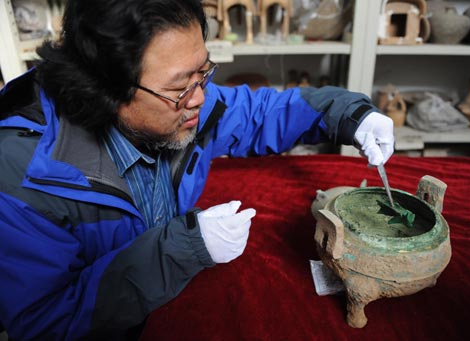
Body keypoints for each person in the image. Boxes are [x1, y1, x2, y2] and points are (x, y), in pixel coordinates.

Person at [0, 0, 394, 338]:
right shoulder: (22, 178)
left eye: (203, 71)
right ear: (106, 88)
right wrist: (179, 250)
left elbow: (261, 113)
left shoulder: (189, 100)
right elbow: (43, 322)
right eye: (180, 88)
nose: (200, 97)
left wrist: (349, 114)